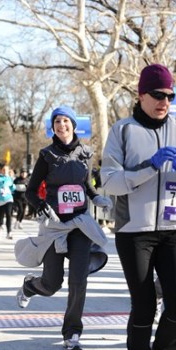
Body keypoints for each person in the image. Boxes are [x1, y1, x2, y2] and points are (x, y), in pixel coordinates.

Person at [14, 105, 113, 350]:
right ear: (53, 127)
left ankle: (72, 333)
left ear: (73, 124)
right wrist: (41, 206)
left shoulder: (85, 153)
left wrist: (97, 198)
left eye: (65, 121)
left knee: (78, 280)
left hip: (80, 224)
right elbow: (30, 191)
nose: (61, 125)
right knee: (52, 283)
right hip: (55, 226)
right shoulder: (46, 155)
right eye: (57, 121)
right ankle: (30, 286)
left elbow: (86, 186)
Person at [100, 63, 176, 350]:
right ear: (141, 94)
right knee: (144, 305)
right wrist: (149, 167)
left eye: (170, 95)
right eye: (158, 94)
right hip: (134, 231)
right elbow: (109, 183)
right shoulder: (123, 131)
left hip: (173, 230)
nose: (164, 102)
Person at [0, 164, 16, 240]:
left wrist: (13, 186)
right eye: (3, 170)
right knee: (0, 217)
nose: (5, 171)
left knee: (9, 215)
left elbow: (12, 189)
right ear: (1, 170)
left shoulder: (10, 179)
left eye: (6, 170)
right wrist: (1, 185)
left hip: (8, 199)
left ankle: (9, 232)